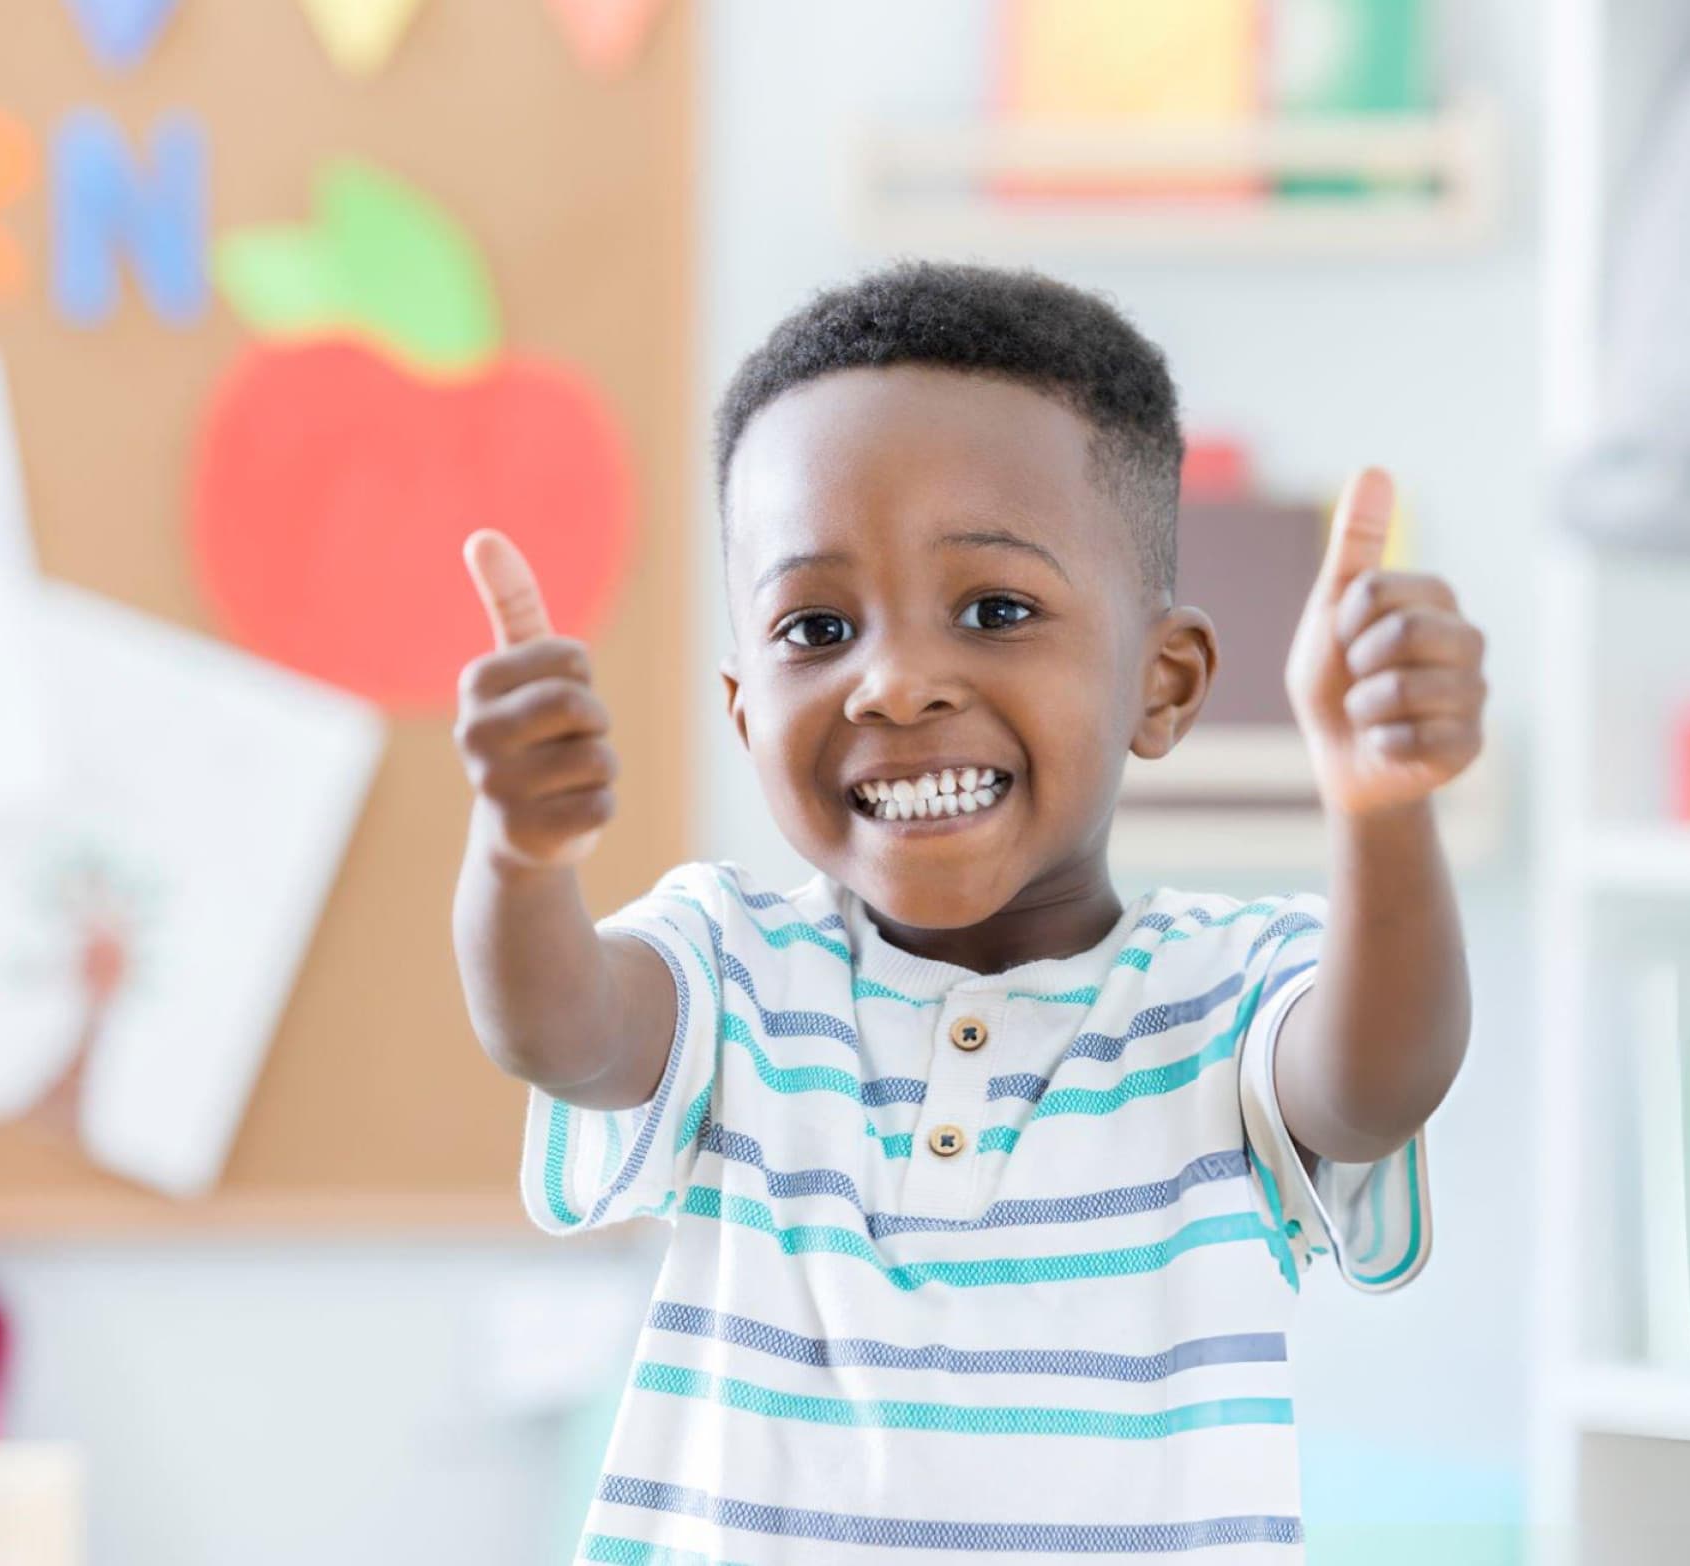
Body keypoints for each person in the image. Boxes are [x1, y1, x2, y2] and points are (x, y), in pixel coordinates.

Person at [452, 262, 1487, 1562]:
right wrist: (517, 853)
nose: (892, 682)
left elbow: (1375, 1081)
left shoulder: (1231, 993)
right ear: (741, 710)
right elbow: (561, 1028)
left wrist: (1383, 812)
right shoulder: (730, 964)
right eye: (816, 624)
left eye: (995, 609)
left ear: (1161, 684)